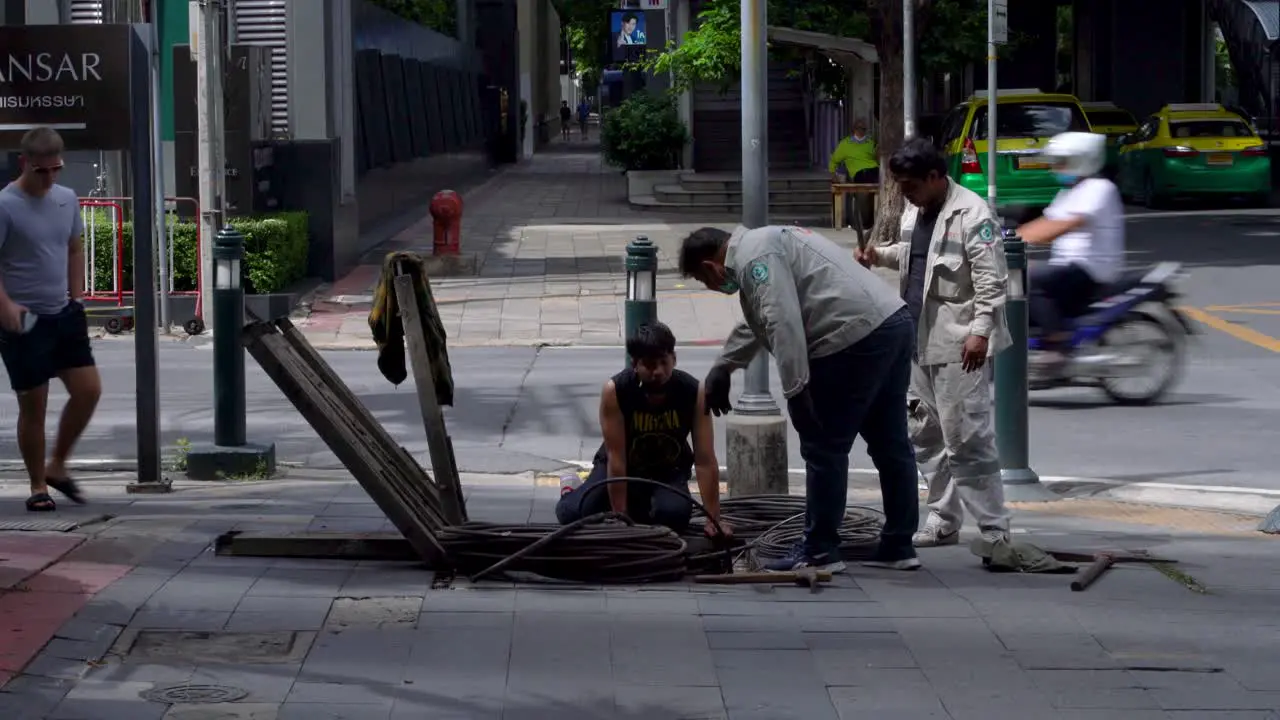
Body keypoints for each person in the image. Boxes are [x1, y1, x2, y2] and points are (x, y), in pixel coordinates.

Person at [680, 225, 921, 573]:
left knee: (824, 446)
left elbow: (782, 320)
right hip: (890, 323)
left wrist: (796, 390)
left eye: (706, 282)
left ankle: (820, 549)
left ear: (709, 266)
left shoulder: (754, 258)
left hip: (851, 339)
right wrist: (725, 365)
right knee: (890, 442)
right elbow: (762, 316)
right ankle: (899, 544)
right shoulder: (765, 242)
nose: (715, 288)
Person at [856, 137, 1012, 547]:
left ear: (935, 176)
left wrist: (981, 332)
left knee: (967, 438)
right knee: (925, 434)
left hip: (959, 342)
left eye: (911, 186)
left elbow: (991, 281)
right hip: (915, 337)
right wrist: (878, 256)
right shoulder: (916, 209)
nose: (905, 194)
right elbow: (914, 257)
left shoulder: (973, 214)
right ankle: (944, 520)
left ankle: (994, 529)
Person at [0, 127, 101, 512]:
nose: (50, 178)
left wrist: (77, 298)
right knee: (34, 405)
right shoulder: (5, 205)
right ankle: (38, 484)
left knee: (88, 390)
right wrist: (6, 305)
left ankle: (58, 464)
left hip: (64, 313)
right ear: (25, 163)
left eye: (56, 169)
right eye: (42, 171)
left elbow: (74, 248)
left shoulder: (66, 199)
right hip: (23, 321)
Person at [556, 322, 730, 538]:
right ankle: (571, 489)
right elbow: (616, 459)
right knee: (574, 514)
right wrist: (621, 519)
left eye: (663, 363)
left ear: (674, 359)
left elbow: (704, 460)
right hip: (623, 467)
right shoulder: (617, 390)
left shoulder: (693, 392)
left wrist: (714, 519)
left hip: (668, 471)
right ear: (634, 364)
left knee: (674, 517)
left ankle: (640, 506)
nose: (657, 371)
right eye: (648, 364)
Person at [1015, 131, 1125, 375]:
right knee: (1021, 273)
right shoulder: (1069, 192)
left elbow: (1061, 226)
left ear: (1081, 160)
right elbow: (1044, 223)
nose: (1057, 168)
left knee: (1028, 280)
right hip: (1069, 267)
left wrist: (1013, 240)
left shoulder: (1099, 188)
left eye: (1062, 162)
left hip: (1089, 270)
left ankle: (1058, 341)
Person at [828, 118, 879, 229]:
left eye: (863, 129)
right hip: (859, 173)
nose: (861, 131)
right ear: (854, 129)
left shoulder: (870, 142)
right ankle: (865, 222)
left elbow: (878, 158)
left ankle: (874, 221)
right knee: (863, 194)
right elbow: (834, 160)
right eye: (859, 128)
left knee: (877, 189)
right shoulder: (845, 144)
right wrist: (833, 175)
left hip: (874, 169)